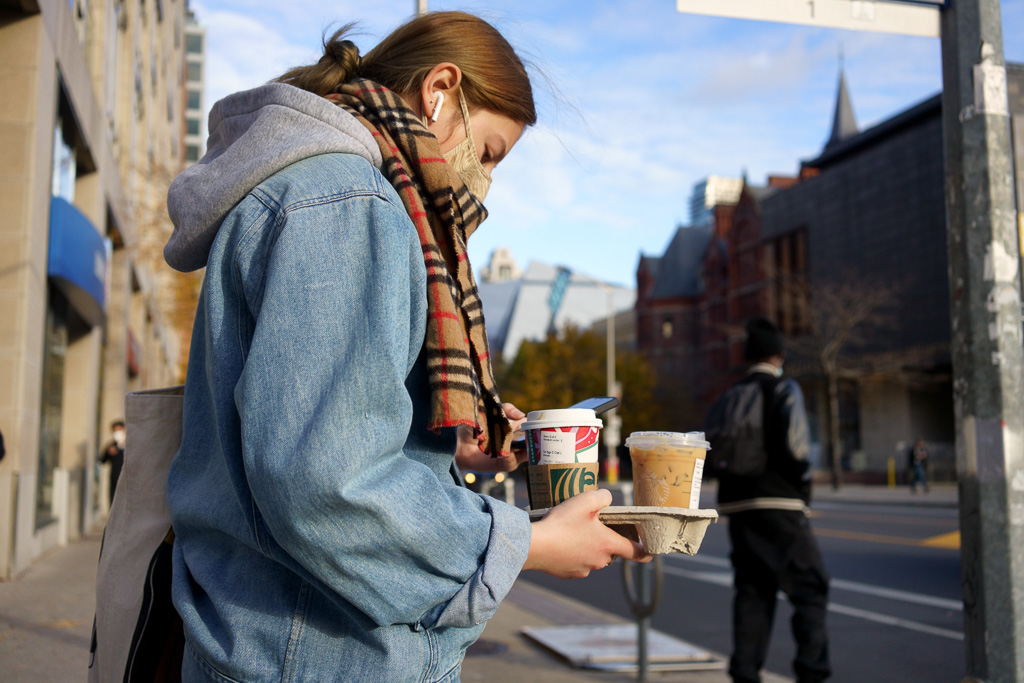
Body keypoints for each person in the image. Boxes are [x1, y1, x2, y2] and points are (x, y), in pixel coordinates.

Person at [163, 11, 648, 682]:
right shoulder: (348, 200)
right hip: (319, 653)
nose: (484, 182)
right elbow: (328, 484)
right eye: (489, 151)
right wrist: (530, 545)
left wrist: (439, 440)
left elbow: (296, 426)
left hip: (274, 642)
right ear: (440, 89)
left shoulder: (307, 187)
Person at [709, 317, 830, 683]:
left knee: (753, 593)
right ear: (779, 355)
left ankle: (745, 674)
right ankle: (812, 673)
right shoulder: (783, 389)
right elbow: (797, 450)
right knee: (810, 588)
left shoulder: (729, 396)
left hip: (739, 509)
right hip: (781, 504)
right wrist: (804, 492)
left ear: (748, 356)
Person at [99, 420, 125, 505]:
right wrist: (108, 452)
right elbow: (102, 460)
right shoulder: (111, 446)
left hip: (127, 480)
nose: (117, 433)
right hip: (115, 480)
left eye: (119, 430)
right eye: (115, 431)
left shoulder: (130, 446)